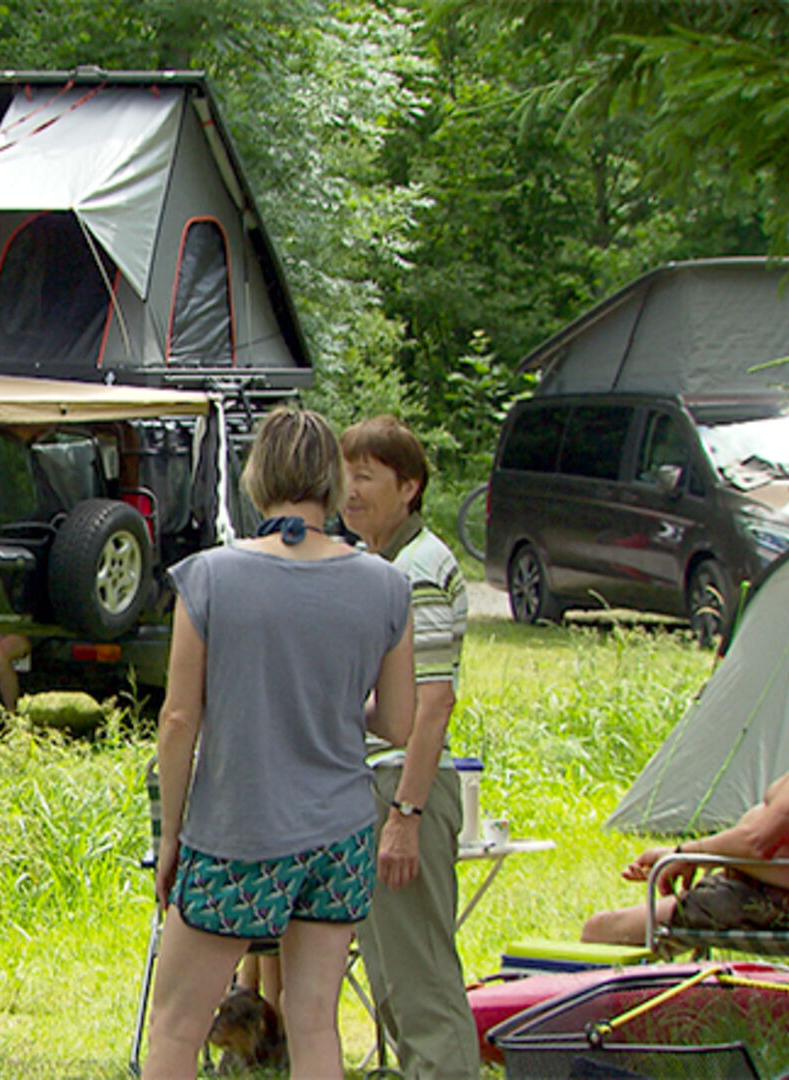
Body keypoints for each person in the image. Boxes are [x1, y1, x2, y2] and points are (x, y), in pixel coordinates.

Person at [142, 407, 417, 1080]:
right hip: (340, 831)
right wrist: (329, 698)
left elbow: (179, 718)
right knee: (312, 1017)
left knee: (177, 1026)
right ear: (331, 482)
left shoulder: (207, 577)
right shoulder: (386, 584)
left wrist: (171, 835)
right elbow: (399, 722)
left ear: (256, 476)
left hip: (238, 829)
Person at [581, 654, 789, 947]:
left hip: (778, 904)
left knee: (599, 929)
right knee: (619, 921)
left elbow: (757, 841)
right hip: (767, 890)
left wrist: (681, 854)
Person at [341, 415, 478, 1080]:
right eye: (345, 475)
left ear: (409, 486)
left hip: (402, 787)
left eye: (365, 476)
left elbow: (433, 702)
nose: (350, 490)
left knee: (420, 985)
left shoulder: (418, 568)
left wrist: (406, 814)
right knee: (395, 982)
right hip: (377, 783)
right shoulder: (382, 564)